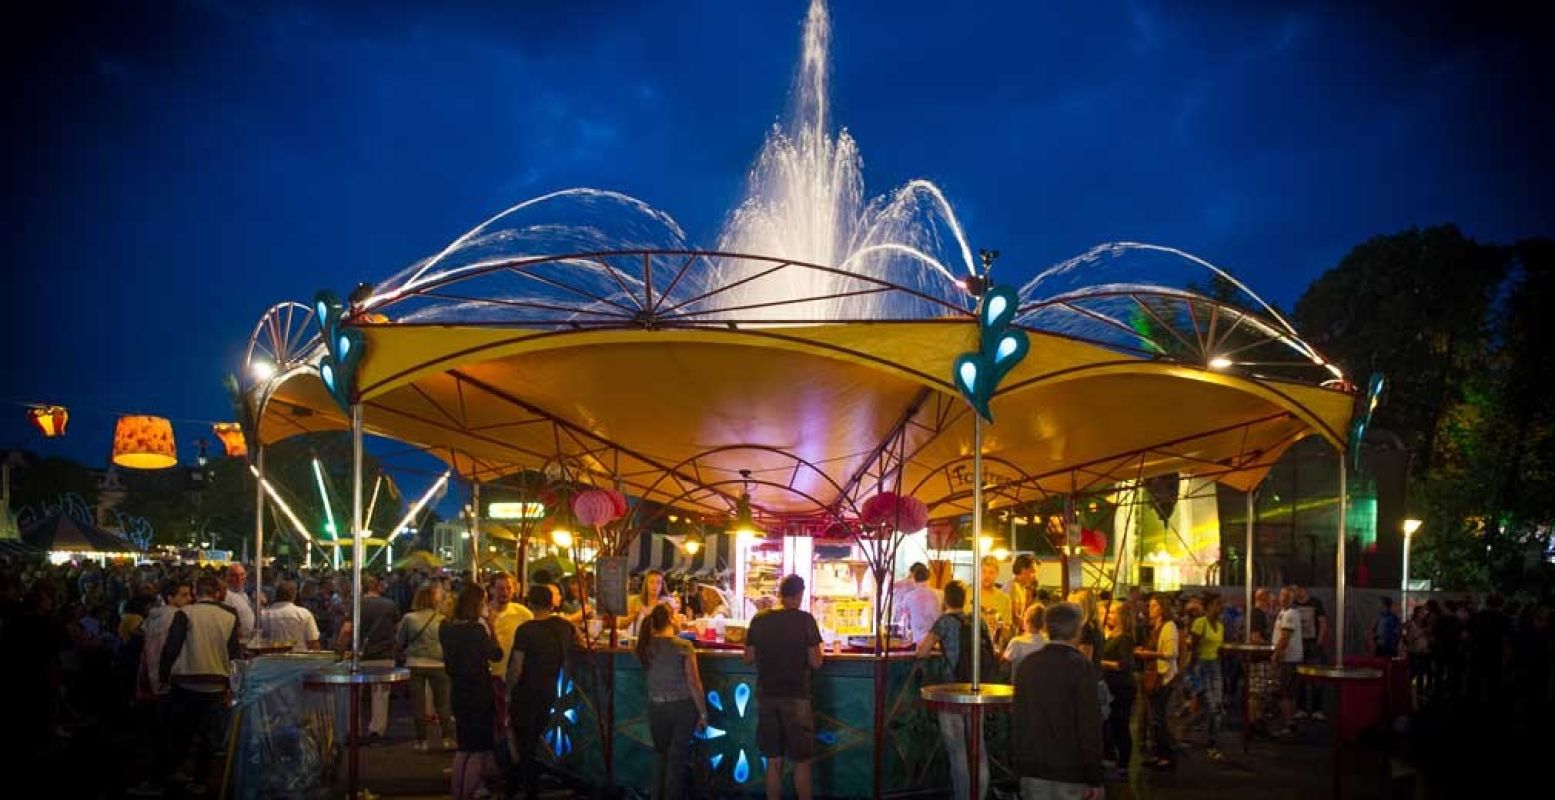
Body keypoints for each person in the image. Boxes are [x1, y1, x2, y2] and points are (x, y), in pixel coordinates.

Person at [159, 575, 242, 794]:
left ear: (197, 592)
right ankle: (201, 780)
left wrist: (163, 675)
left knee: (182, 732)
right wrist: (233, 684)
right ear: (218, 593)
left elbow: (171, 648)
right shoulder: (230, 616)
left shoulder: (185, 614)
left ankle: (177, 772)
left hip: (186, 681)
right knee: (209, 735)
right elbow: (235, 653)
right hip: (216, 682)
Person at [1012, 602, 1104, 800]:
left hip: (1033, 769)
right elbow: (1088, 724)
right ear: (1076, 631)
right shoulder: (1080, 666)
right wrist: (1095, 776)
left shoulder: (1028, 665)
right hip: (1070, 772)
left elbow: (1019, 719)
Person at [745, 574, 823, 800]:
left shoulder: (758, 620)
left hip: (767, 697)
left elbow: (748, 657)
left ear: (780, 594)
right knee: (801, 762)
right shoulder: (805, 620)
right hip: (796, 698)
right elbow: (816, 662)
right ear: (799, 595)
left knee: (773, 760)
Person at [916, 580, 996, 800]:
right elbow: (992, 650)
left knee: (958, 750)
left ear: (945, 600)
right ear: (965, 599)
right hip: (976, 690)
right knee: (977, 748)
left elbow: (922, 652)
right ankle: (978, 795)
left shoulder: (943, 622)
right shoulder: (978, 620)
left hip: (951, 691)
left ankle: (963, 796)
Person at [507, 583, 583, 800]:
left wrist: (509, 691)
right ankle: (526, 786)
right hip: (549, 693)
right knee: (533, 740)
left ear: (529, 604)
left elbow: (517, 667)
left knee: (524, 744)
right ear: (552, 603)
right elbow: (579, 640)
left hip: (525, 693)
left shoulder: (525, 630)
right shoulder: (562, 626)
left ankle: (523, 789)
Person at [127, 577, 193, 797]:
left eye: (189, 594)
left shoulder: (154, 615)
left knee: (160, 730)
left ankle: (164, 773)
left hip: (149, 679)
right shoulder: (176, 616)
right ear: (170, 597)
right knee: (164, 731)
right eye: (183, 594)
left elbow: (140, 637)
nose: (189, 598)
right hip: (166, 680)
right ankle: (157, 778)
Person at [637, 603, 709, 800]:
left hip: (656, 707)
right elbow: (694, 683)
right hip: (682, 708)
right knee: (676, 761)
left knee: (660, 756)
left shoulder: (646, 646)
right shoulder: (683, 647)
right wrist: (703, 713)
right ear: (670, 620)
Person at [441, 583, 502, 800]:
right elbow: (496, 654)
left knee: (463, 747)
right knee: (477, 750)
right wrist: (492, 627)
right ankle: (466, 794)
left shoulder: (445, 627)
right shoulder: (477, 629)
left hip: (458, 690)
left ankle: (456, 793)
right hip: (479, 692)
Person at [336, 575, 401, 741]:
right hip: (384, 654)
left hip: (360, 655)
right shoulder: (389, 605)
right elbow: (397, 628)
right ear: (377, 587)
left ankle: (353, 729)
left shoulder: (356, 605)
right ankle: (376, 731)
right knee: (380, 696)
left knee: (354, 694)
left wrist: (339, 650)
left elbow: (347, 629)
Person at [398, 583, 454, 751]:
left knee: (418, 705)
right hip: (439, 663)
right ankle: (447, 738)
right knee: (443, 703)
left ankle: (422, 741)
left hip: (415, 663)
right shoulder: (443, 619)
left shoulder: (409, 618)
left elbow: (400, 640)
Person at [485, 572, 532, 748]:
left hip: (515, 674)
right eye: (500, 588)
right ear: (491, 590)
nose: (505, 592)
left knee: (512, 718)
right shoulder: (484, 613)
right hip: (490, 674)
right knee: (493, 719)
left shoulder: (522, 613)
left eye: (508, 588)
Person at [1138, 592, 1179, 770]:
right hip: (1155, 675)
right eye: (1150, 606)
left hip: (1163, 677)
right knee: (1155, 718)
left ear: (1162, 608)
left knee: (1160, 718)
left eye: (1154, 606)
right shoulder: (1156, 626)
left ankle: (1167, 755)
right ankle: (1158, 753)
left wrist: (1149, 654)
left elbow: (1171, 653)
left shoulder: (1169, 626)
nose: (1150, 609)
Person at [1187, 592, 1227, 759]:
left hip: (1214, 665)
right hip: (1202, 665)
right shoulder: (1200, 623)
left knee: (1216, 706)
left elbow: (1219, 648)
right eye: (1218, 604)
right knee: (1210, 705)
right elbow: (1194, 648)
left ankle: (1208, 739)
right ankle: (1210, 743)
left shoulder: (1220, 625)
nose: (1220, 607)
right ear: (1209, 606)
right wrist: (1192, 672)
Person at [1101, 599, 1136, 781]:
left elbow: (1124, 664)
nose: (1109, 615)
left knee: (1121, 725)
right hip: (1110, 686)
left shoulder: (1125, 638)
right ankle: (1112, 758)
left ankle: (1124, 764)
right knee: (1110, 724)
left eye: (1113, 612)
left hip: (1122, 687)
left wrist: (1101, 663)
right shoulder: (1110, 636)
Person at [1271, 587, 1305, 736]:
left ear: (1291, 599)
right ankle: (1290, 722)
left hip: (1288, 659)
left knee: (1284, 691)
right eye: (1281, 595)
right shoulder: (1283, 613)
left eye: (1286, 596)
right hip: (1289, 658)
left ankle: (1288, 723)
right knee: (1289, 692)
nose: (1282, 598)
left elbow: (1285, 636)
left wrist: (1276, 654)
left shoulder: (1290, 614)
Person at [1292, 584, 1327, 721]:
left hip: (1312, 643)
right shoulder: (1294, 604)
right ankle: (1302, 708)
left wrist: (1319, 641)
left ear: (1303, 589)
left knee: (1316, 677)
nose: (1295, 593)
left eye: (1297, 590)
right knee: (1299, 677)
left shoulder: (1315, 603)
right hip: (1298, 644)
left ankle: (1317, 709)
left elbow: (1323, 622)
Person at [260, 580, 321, 652]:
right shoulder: (304, 614)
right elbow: (313, 642)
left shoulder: (264, 615)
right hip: (300, 659)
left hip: (273, 659)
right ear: (294, 595)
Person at [895, 562, 941, 644]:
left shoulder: (909, 597)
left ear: (913, 578)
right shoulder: (938, 595)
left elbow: (901, 613)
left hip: (918, 641)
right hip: (935, 641)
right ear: (928, 577)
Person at [1002, 603, 1047, 676]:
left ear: (1027, 620)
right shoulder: (1048, 642)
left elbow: (1003, 667)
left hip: (1019, 685)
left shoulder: (1017, 642)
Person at [979, 556, 1014, 646]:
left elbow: (1008, 631)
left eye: (991, 572)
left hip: (993, 648)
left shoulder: (1004, 599)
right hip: (969, 648)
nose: (987, 576)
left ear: (997, 574)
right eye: (984, 571)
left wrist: (999, 626)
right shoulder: (968, 593)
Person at [1068, 589, 1104, 668]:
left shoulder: (1086, 629)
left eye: (1074, 605)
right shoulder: (1092, 625)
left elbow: (1084, 661)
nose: (1069, 609)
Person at [223, 563, 256, 642]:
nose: (239, 578)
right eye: (234, 575)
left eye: (242, 575)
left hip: (248, 641)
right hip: (237, 641)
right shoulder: (226, 596)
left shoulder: (244, 594)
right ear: (227, 577)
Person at [1009, 554, 1038, 621]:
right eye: (1033, 571)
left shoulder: (1023, 588)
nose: (1035, 576)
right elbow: (1014, 616)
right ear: (1023, 570)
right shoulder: (1013, 587)